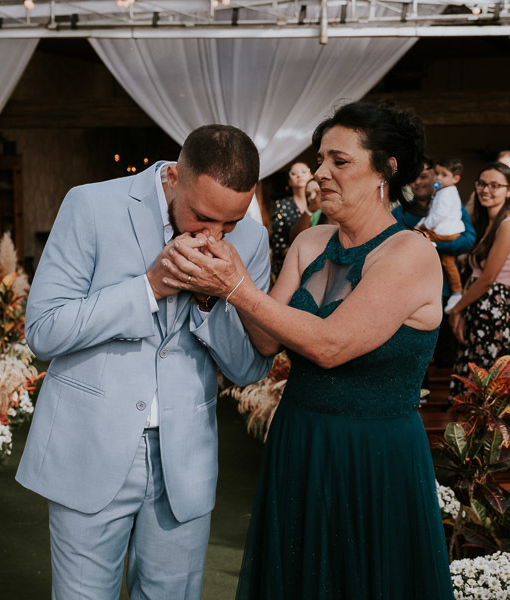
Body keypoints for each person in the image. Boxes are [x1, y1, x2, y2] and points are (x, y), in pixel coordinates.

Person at [165, 102, 454, 598]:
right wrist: (215, 286)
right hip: (300, 440)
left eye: (339, 161)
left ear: (386, 170)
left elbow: (330, 345)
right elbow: (265, 338)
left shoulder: (411, 252)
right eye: (321, 159)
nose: (321, 172)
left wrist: (237, 286)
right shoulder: (309, 242)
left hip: (373, 457)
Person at [15, 125, 272, 600]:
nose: (213, 235)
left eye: (228, 225)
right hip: (90, 444)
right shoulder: (91, 205)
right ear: (174, 177)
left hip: (185, 459)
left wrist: (213, 300)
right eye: (201, 217)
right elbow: (44, 330)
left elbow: (249, 369)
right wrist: (149, 287)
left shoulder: (252, 242)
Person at [447, 163, 510, 397]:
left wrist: (455, 310)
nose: (486, 190)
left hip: (492, 308)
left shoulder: (508, 225)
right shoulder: (488, 223)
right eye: (482, 184)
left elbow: (488, 279)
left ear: (509, 191)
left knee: (488, 385)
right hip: (479, 305)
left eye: (495, 185)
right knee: (474, 378)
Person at [415, 156, 466, 310]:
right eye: (437, 173)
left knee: (424, 239)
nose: (438, 178)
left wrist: (423, 227)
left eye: (444, 175)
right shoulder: (442, 193)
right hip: (444, 232)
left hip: (446, 233)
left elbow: (438, 216)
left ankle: (457, 292)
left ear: (455, 178)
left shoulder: (447, 194)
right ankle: (457, 292)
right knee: (448, 263)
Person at [269, 161, 313, 275]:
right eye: (294, 173)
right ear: (289, 181)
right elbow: (277, 240)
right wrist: (298, 256)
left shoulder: (320, 204)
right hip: (290, 264)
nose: (299, 175)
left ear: (311, 176)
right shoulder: (282, 205)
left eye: (303, 172)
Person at [288, 178, 326, 242]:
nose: (312, 197)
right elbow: (295, 238)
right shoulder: (310, 214)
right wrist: (309, 210)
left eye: (317, 192)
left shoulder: (332, 213)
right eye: (308, 194)